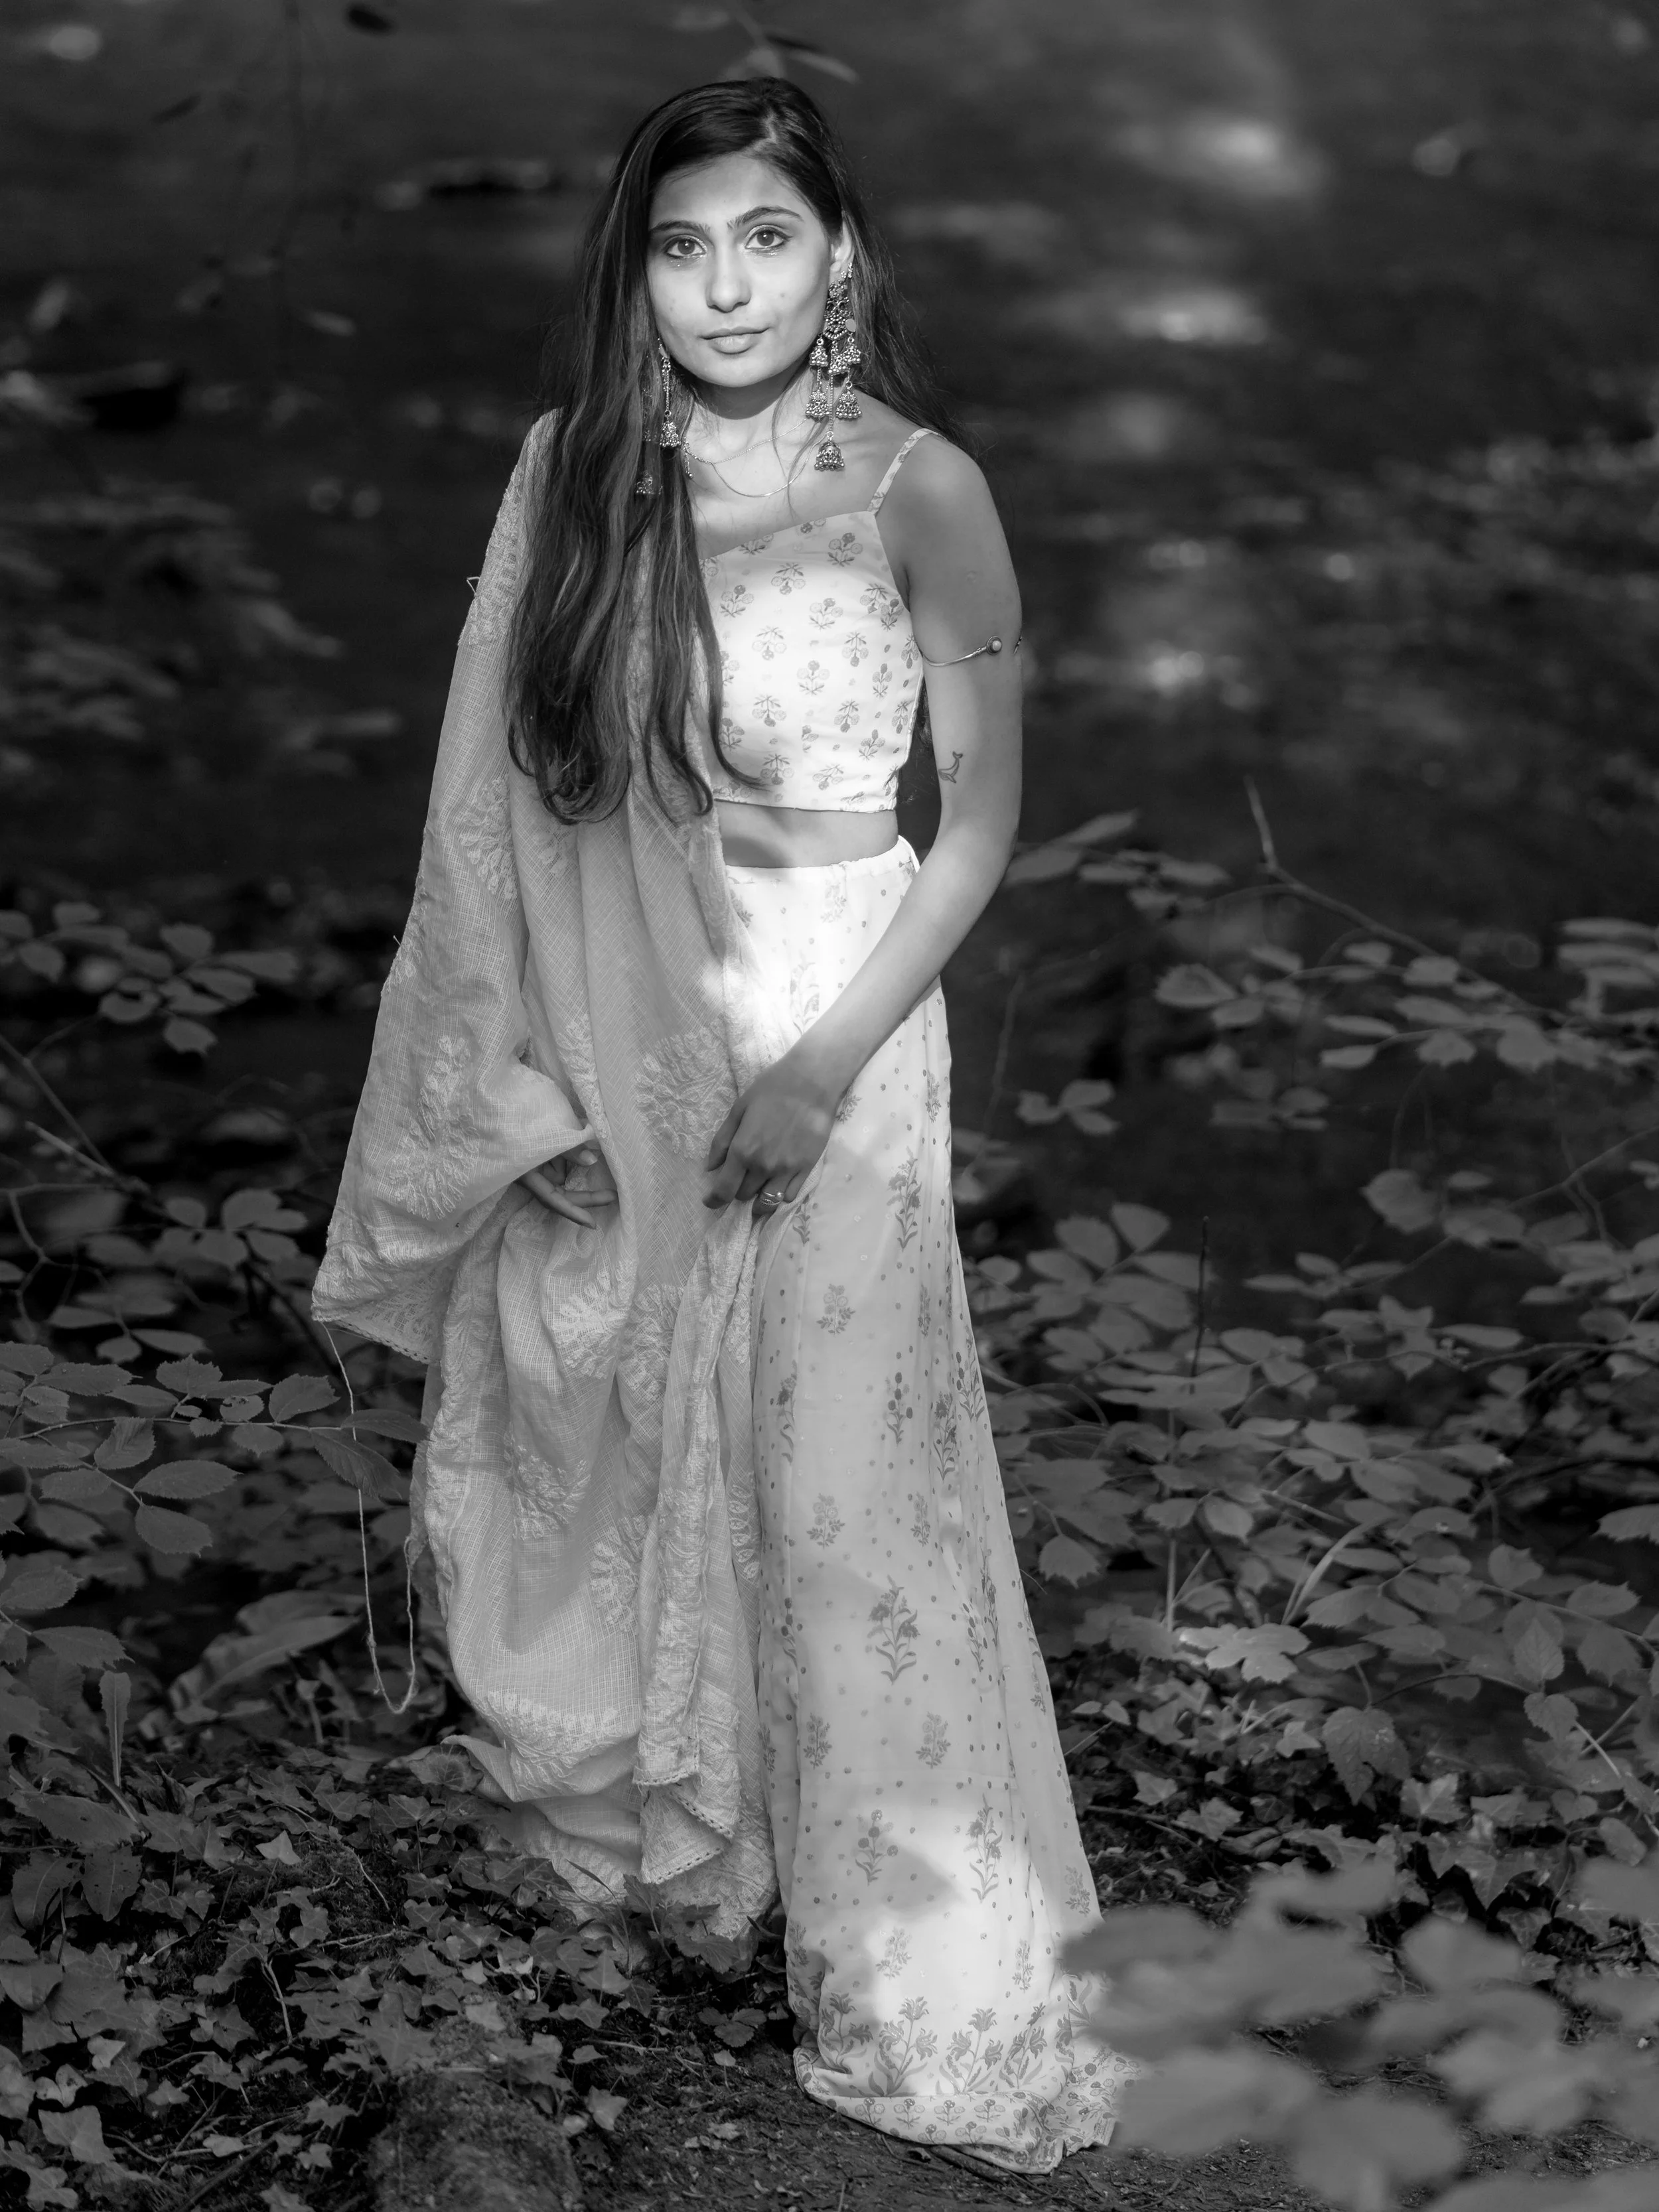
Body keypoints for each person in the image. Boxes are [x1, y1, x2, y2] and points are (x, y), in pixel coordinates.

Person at [314, 76, 1129, 2172]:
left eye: (766, 237)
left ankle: (917, 1943)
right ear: (636, 266)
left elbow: (978, 824)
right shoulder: (577, 475)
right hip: (636, 1017)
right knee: (642, 1408)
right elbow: (498, 823)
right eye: (682, 245)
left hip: (844, 1018)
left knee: (846, 1476)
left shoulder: (921, 486)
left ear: (837, 251)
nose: (725, 286)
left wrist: (818, 1066)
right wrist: (536, 1081)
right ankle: (700, 1862)